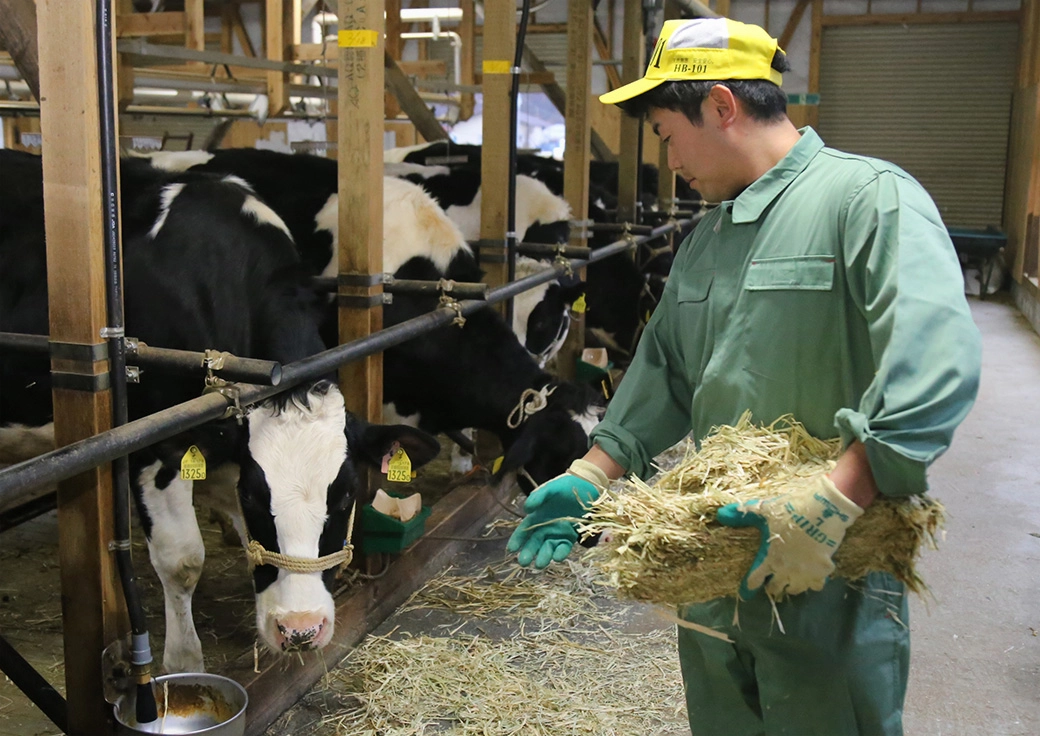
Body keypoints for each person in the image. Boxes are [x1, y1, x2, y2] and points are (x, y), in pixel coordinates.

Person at [507, 16, 982, 736]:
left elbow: (938, 365)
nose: (668, 160)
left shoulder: (867, 200)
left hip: (831, 571)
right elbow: (665, 369)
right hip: (716, 572)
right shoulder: (707, 239)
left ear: (722, 107)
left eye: (667, 133)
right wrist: (592, 474)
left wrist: (829, 503)